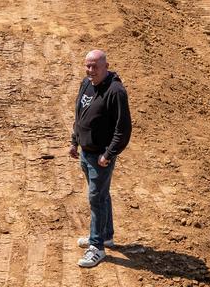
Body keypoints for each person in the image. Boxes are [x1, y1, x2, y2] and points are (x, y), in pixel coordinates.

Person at [69, 49, 132, 268]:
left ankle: (97, 247)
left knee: (96, 198)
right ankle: (105, 235)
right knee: (101, 195)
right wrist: (74, 141)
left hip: (100, 157)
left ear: (106, 66)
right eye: (87, 65)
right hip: (86, 152)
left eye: (95, 66)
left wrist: (109, 154)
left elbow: (123, 129)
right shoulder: (86, 83)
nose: (90, 70)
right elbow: (80, 114)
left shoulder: (116, 91)